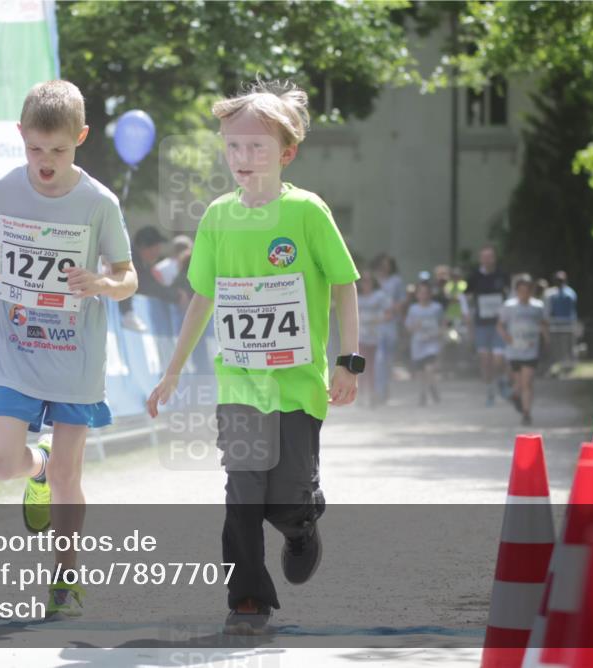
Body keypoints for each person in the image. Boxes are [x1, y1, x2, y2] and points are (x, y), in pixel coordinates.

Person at [146, 80, 362, 635]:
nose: (242, 158)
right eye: (233, 146)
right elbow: (203, 297)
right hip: (240, 385)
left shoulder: (308, 213)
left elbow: (343, 285)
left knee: (285, 498)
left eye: (256, 147)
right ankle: (247, 599)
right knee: (242, 492)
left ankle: (301, 526)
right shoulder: (217, 217)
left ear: (286, 153)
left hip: (297, 386)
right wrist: (173, 370)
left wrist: (348, 359)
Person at [0, 80, 137, 618]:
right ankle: (37, 467)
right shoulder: (0, 192)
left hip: (76, 356)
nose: (46, 161)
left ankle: (65, 576)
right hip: (17, 351)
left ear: (80, 137)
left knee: (69, 478)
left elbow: (128, 277)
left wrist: (101, 283)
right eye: (36, 149)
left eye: (58, 150)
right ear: (21, 137)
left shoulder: (99, 201)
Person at [497, 274, 550, 426]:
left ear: (531, 291)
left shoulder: (537, 306)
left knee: (527, 382)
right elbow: (500, 325)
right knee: (519, 383)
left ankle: (526, 413)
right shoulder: (509, 306)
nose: (524, 293)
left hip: (531, 349)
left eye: (527, 290)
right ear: (517, 291)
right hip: (514, 350)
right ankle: (515, 396)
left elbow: (543, 323)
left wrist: (546, 340)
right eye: (521, 290)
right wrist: (506, 337)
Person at [466, 245, 510, 406]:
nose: (487, 260)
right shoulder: (474, 277)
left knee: (498, 360)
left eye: (490, 257)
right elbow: (466, 297)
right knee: (485, 360)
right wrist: (467, 316)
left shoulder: (502, 275)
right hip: (481, 324)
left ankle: (502, 380)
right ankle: (490, 391)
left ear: (494, 258)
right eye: (484, 257)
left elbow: (510, 295)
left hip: (499, 324)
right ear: (480, 259)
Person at [371, 252, 406, 405]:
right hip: (375, 324)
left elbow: (402, 299)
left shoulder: (396, 281)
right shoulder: (374, 280)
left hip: (390, 323)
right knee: (378, 359)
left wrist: (392, 310)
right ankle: (378, 390)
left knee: (388, 360)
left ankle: (385, 387)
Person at [356, 270, 392, 407]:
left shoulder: (379, 296)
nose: (366, 284)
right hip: (361, 336)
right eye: (363, 281)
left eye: (368, 281)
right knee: (360, 367)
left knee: (376, 367)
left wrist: (378, 319)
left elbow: (389, 314)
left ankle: (374, 395)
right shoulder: (357, 297)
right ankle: (360, 395)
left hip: (377, 337)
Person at [405, 281, 444, 406]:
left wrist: (440, 333)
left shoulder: (436, 308)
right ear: (417, 295)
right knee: (421, 373)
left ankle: (430, 389)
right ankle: (425, 392)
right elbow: (408, 327)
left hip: (431, 344)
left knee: (430, 368)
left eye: (426, 293)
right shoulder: (413, 309)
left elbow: (443, 323)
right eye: (421, 293)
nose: (424, 295)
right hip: (418, 344)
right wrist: (414, 327)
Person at [544, 270, 578, 375]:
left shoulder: (570, 293)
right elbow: (548, 311)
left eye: (561, 280)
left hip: (568, 326)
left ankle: (568, 367)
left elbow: (572, 310)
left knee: (567, 347)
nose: (559, 282)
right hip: (555, 326)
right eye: (558, 280)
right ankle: (555, 367)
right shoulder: (551, 294)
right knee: (555, 347)